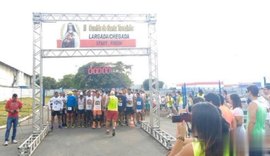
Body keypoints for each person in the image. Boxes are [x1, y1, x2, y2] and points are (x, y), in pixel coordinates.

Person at [247, 85, 267, 156]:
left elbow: (252, 121)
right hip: (261, 133)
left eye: (247, 91)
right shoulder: (262, 104)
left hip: (254, 134)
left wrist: (248, 137)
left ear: (250, 92)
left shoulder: (253, 104)